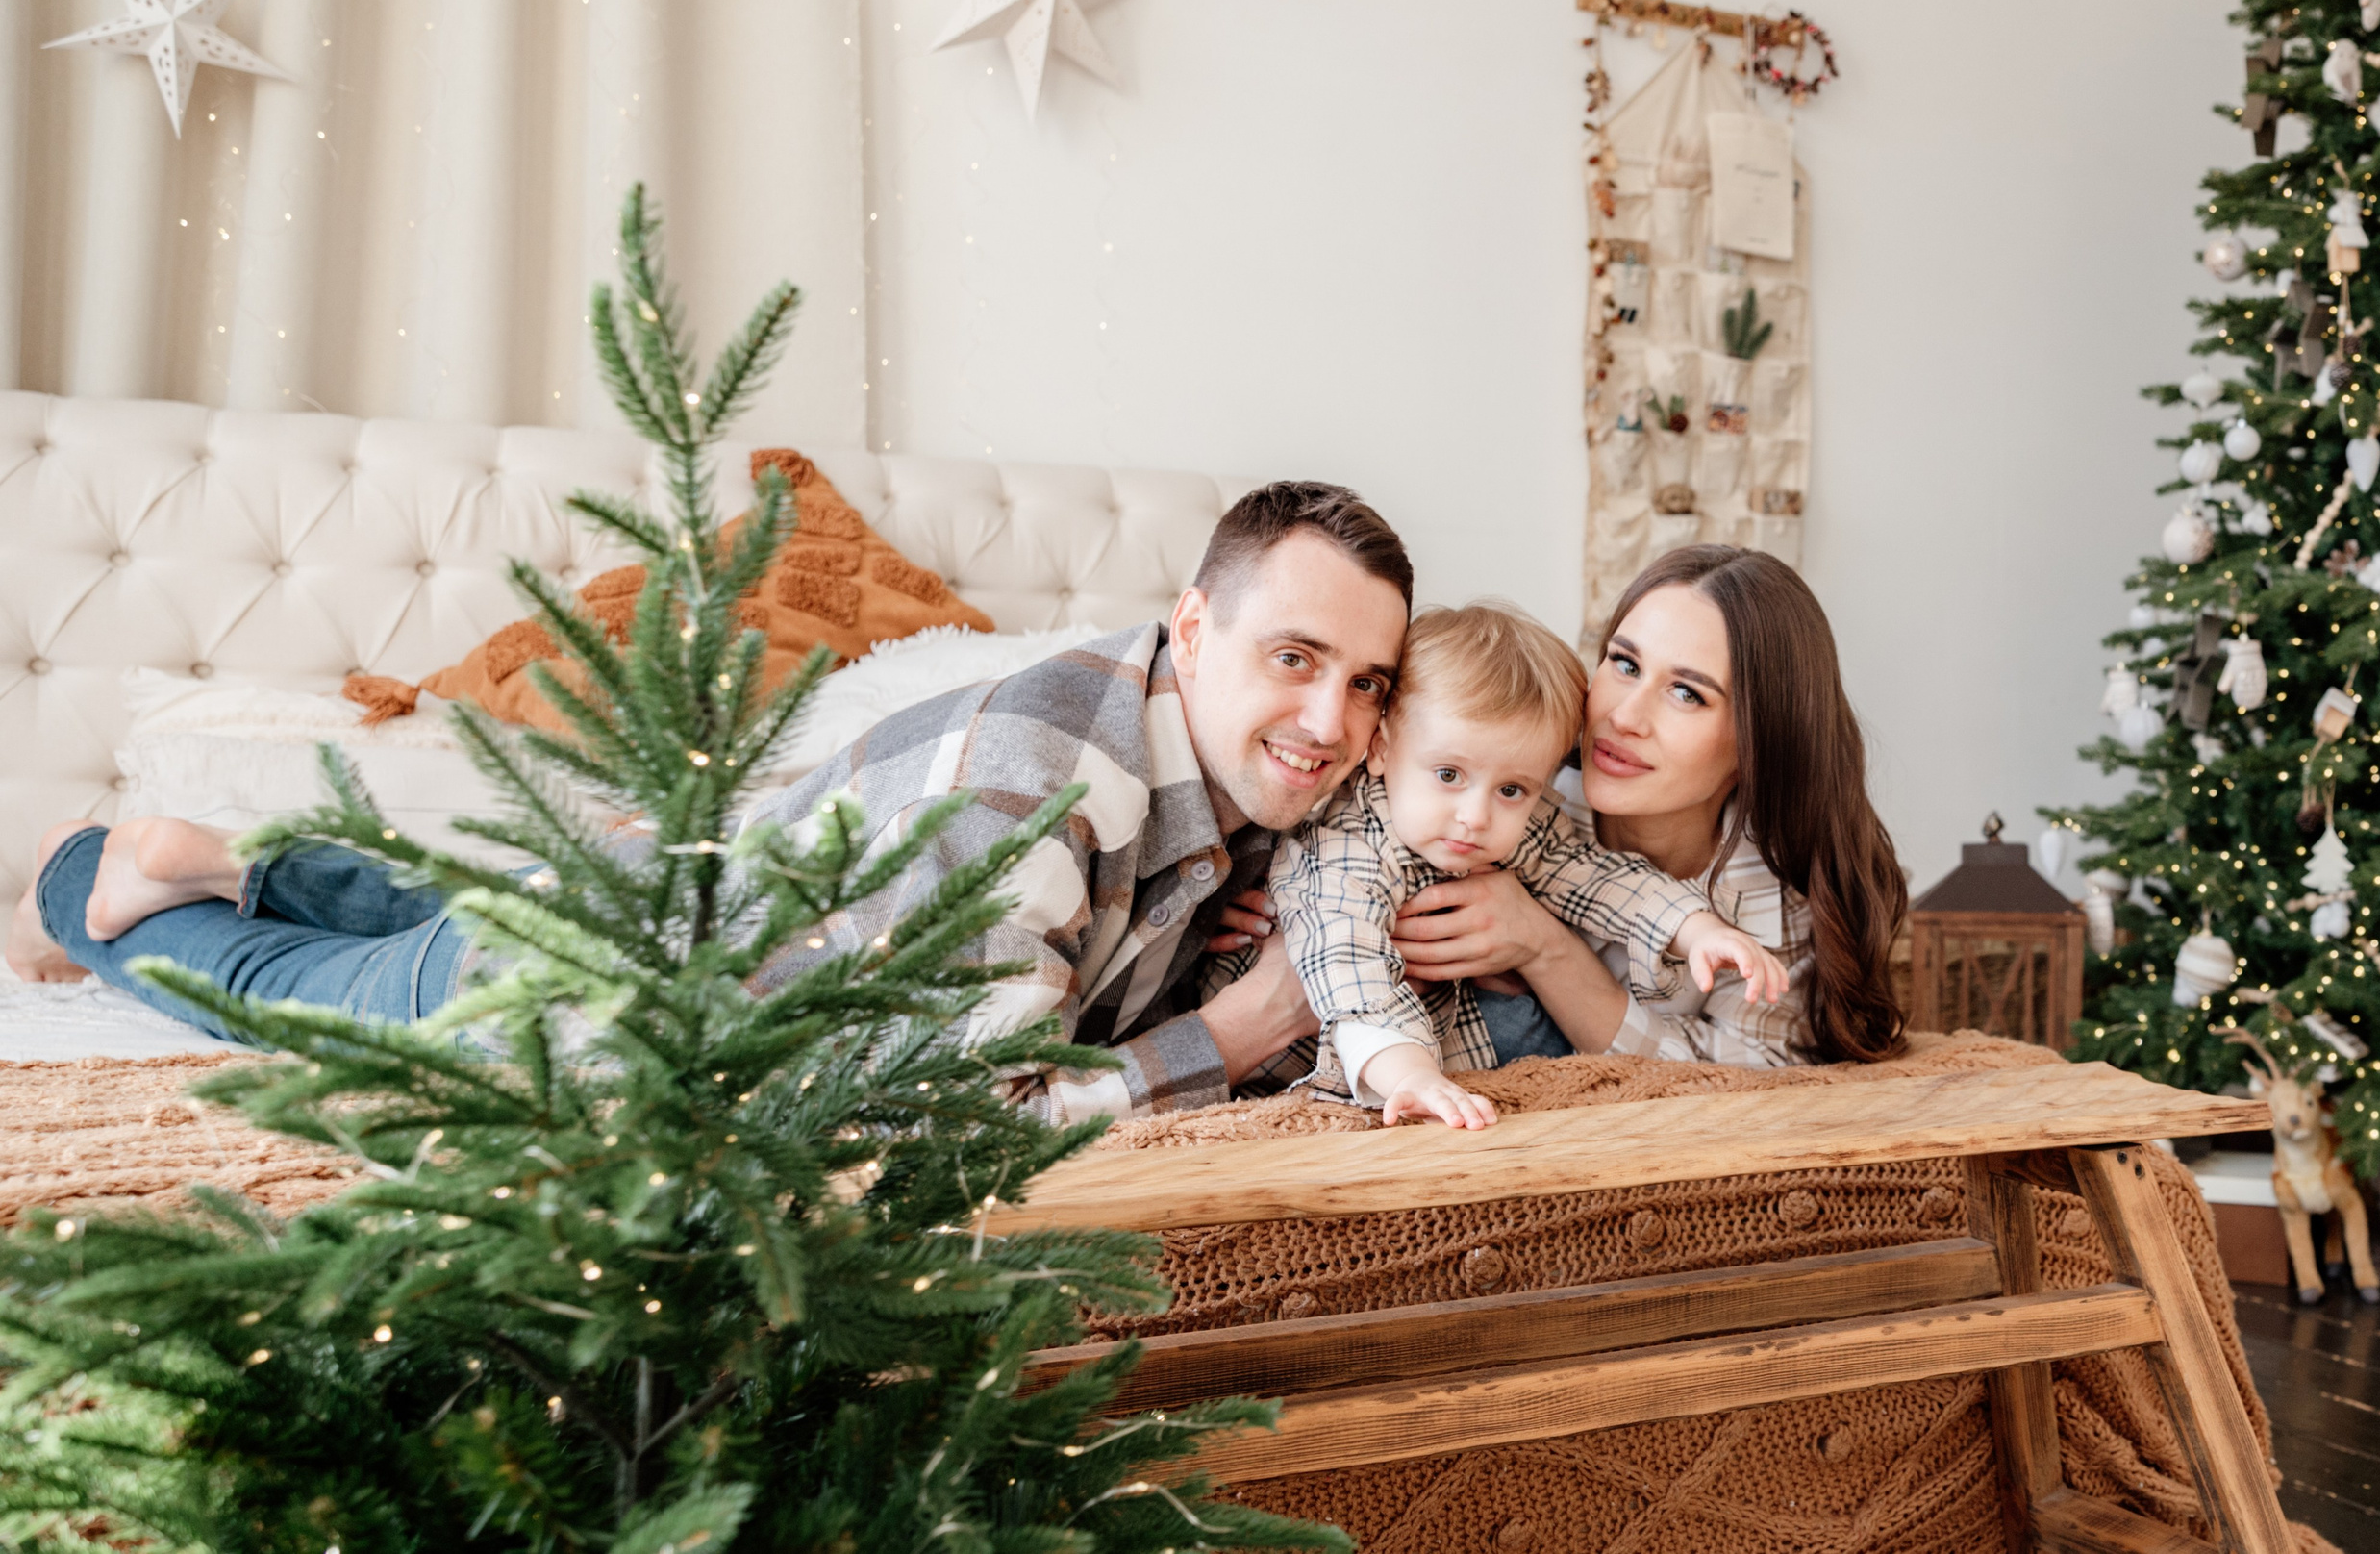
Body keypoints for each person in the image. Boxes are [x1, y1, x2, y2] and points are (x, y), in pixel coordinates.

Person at [6, 481, 1409, 1124]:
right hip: (585, 1002)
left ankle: (240, 853)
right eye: (1296, 659)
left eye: (1368, 682)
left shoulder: (1170, 720)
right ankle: (95, 881)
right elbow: (975, 1113)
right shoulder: (1048, 779)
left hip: (675, 882)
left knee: (450, 901)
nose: (1333, 723)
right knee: (287, 992)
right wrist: (1235, 1031)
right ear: (1193, 620)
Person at [1212, 544, 1908, 1069]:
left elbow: (1739, 1091)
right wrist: (1262, 891)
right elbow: (1342, 813)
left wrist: (1542, 947)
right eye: (1625, 664)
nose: (1625, 715)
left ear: (1758, 738)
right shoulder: (1519, 786)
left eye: (1688, 693)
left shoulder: (1768, 898)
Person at [1257, 600, 1790, 1131]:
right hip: (1341, 1056)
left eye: (1512, 789)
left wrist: (1696, 931)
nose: (1476, 817)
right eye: (1448, 775)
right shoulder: (1345, 849)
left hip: (1457, 1038)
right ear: (1380, 749)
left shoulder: (1518, 822)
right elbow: (1349, 968)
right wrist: (1411, 1075)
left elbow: (1595, 876)